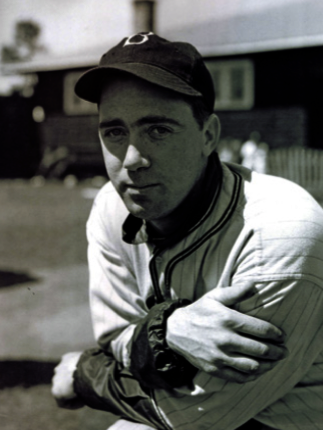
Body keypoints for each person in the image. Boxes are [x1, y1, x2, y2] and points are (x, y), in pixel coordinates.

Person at [52, 33, 323, 430]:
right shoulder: (112, 206)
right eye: (114, 132)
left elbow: (198, 416)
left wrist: (84, 375)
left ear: (208, 136)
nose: (132, 159)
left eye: (158, 130)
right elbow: (117, 338)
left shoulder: (280, 233)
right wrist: (169, 331)